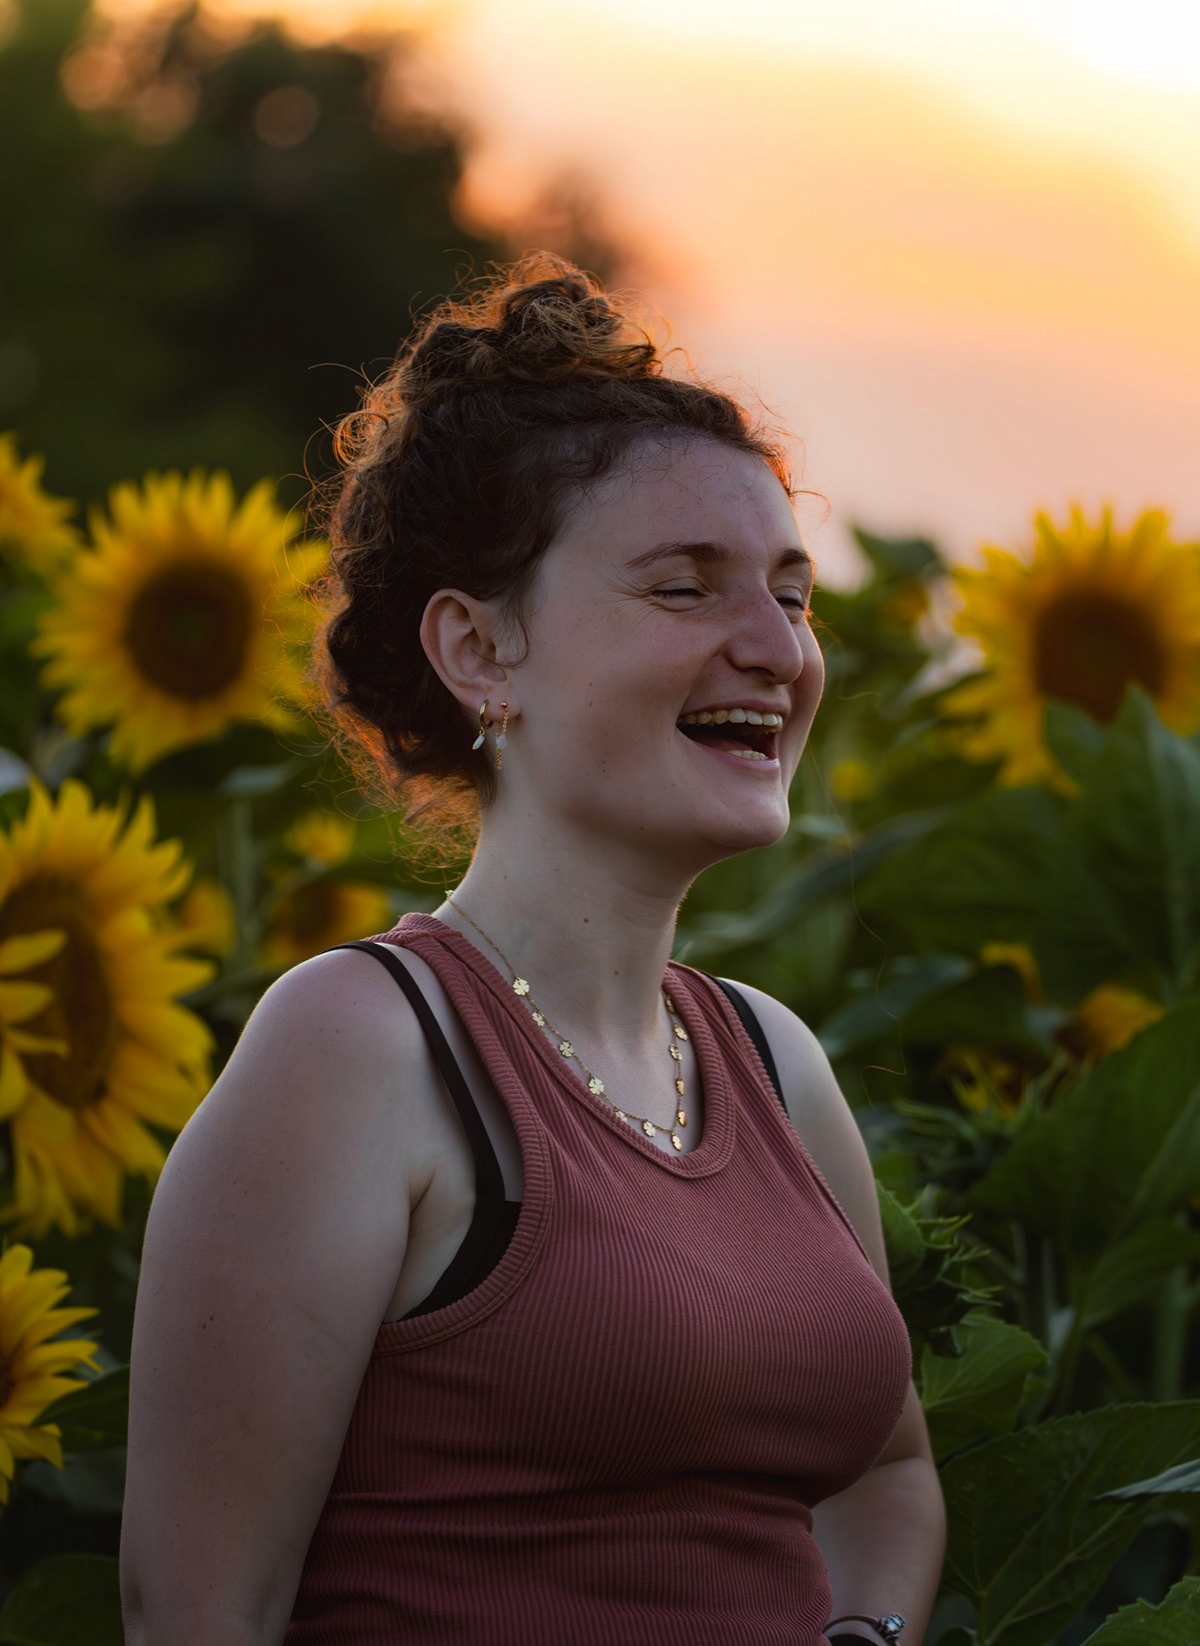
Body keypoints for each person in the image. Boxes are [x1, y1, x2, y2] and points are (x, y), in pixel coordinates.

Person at [120, 254, 946, 1645]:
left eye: (794, 596)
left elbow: (885, 1471)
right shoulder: (361, 1053)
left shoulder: (774, 1064)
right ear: (478, 650)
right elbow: (197, 1613)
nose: (778, 649)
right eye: (684, 589)